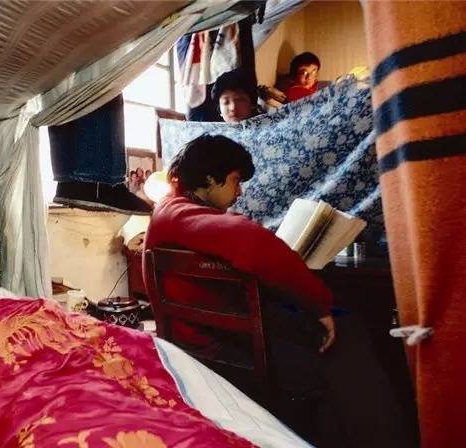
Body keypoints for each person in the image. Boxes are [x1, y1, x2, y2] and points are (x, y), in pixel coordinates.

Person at [143, 134, 412, 448]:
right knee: (344, 341)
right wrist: (319, 305)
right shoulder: (179, 212)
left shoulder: (170, 210)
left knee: (345, 330)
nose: (239, 192)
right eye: (235, 181)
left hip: (207, 336)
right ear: (210, 178)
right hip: (218, 349)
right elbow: (253, 243)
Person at [49, 95, 152, 215]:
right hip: (98, 186)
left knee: (63, 93)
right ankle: (102, 187)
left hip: (66, 184)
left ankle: (69, 185)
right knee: (103, 91)